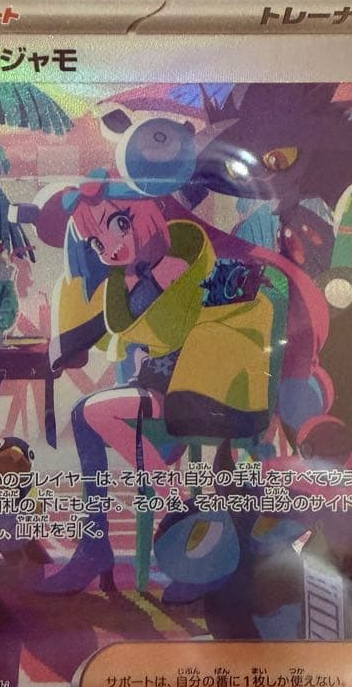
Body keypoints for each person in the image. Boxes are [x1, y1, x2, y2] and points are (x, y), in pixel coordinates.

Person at [40, 173, 281, 594]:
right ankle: (104, 540)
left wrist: (139, 289)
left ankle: (172, 505)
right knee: (86, 416)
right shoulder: (136, 273)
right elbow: (123, 325)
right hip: (162, 381)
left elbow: (166, 328)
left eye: (118, 225)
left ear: (143, 214)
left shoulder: (177, 262)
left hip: (192, 385)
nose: (109, 247)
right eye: (96, 243)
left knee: (90, 413)